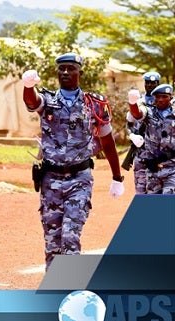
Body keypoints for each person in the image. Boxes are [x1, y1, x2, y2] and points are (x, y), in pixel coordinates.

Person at [21, 52, 124, 271]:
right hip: (50, 181)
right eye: (62, 68)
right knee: (53, 243)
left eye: (70, 68)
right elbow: (32, 101)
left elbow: (107, 143)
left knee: (70, 236)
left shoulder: (94, 105)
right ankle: (55, 293)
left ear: (80, 72)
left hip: (79, 180)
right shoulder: (48, 100)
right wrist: (28, 86)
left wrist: (117, 177)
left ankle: (71, 291)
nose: (65, 72)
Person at [128, 84, 175, 194]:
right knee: (153, 205)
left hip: (172, 167)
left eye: (164, 96)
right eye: (158, 97)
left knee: (169, 199)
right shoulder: (149, 112)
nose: (160, 100)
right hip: (152, 168)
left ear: (171, 98)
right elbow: (137, 114)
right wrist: (132, 103)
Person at [122, 71, 160, 194]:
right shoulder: (138, 102)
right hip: (141, 152)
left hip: (159, 153)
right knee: (141, 189)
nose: (150, 85)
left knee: (158, 191)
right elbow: (129, 124)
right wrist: (132, 135)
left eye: (153, 83)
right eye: (147, 83)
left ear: (158, 84)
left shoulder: (165, 101)